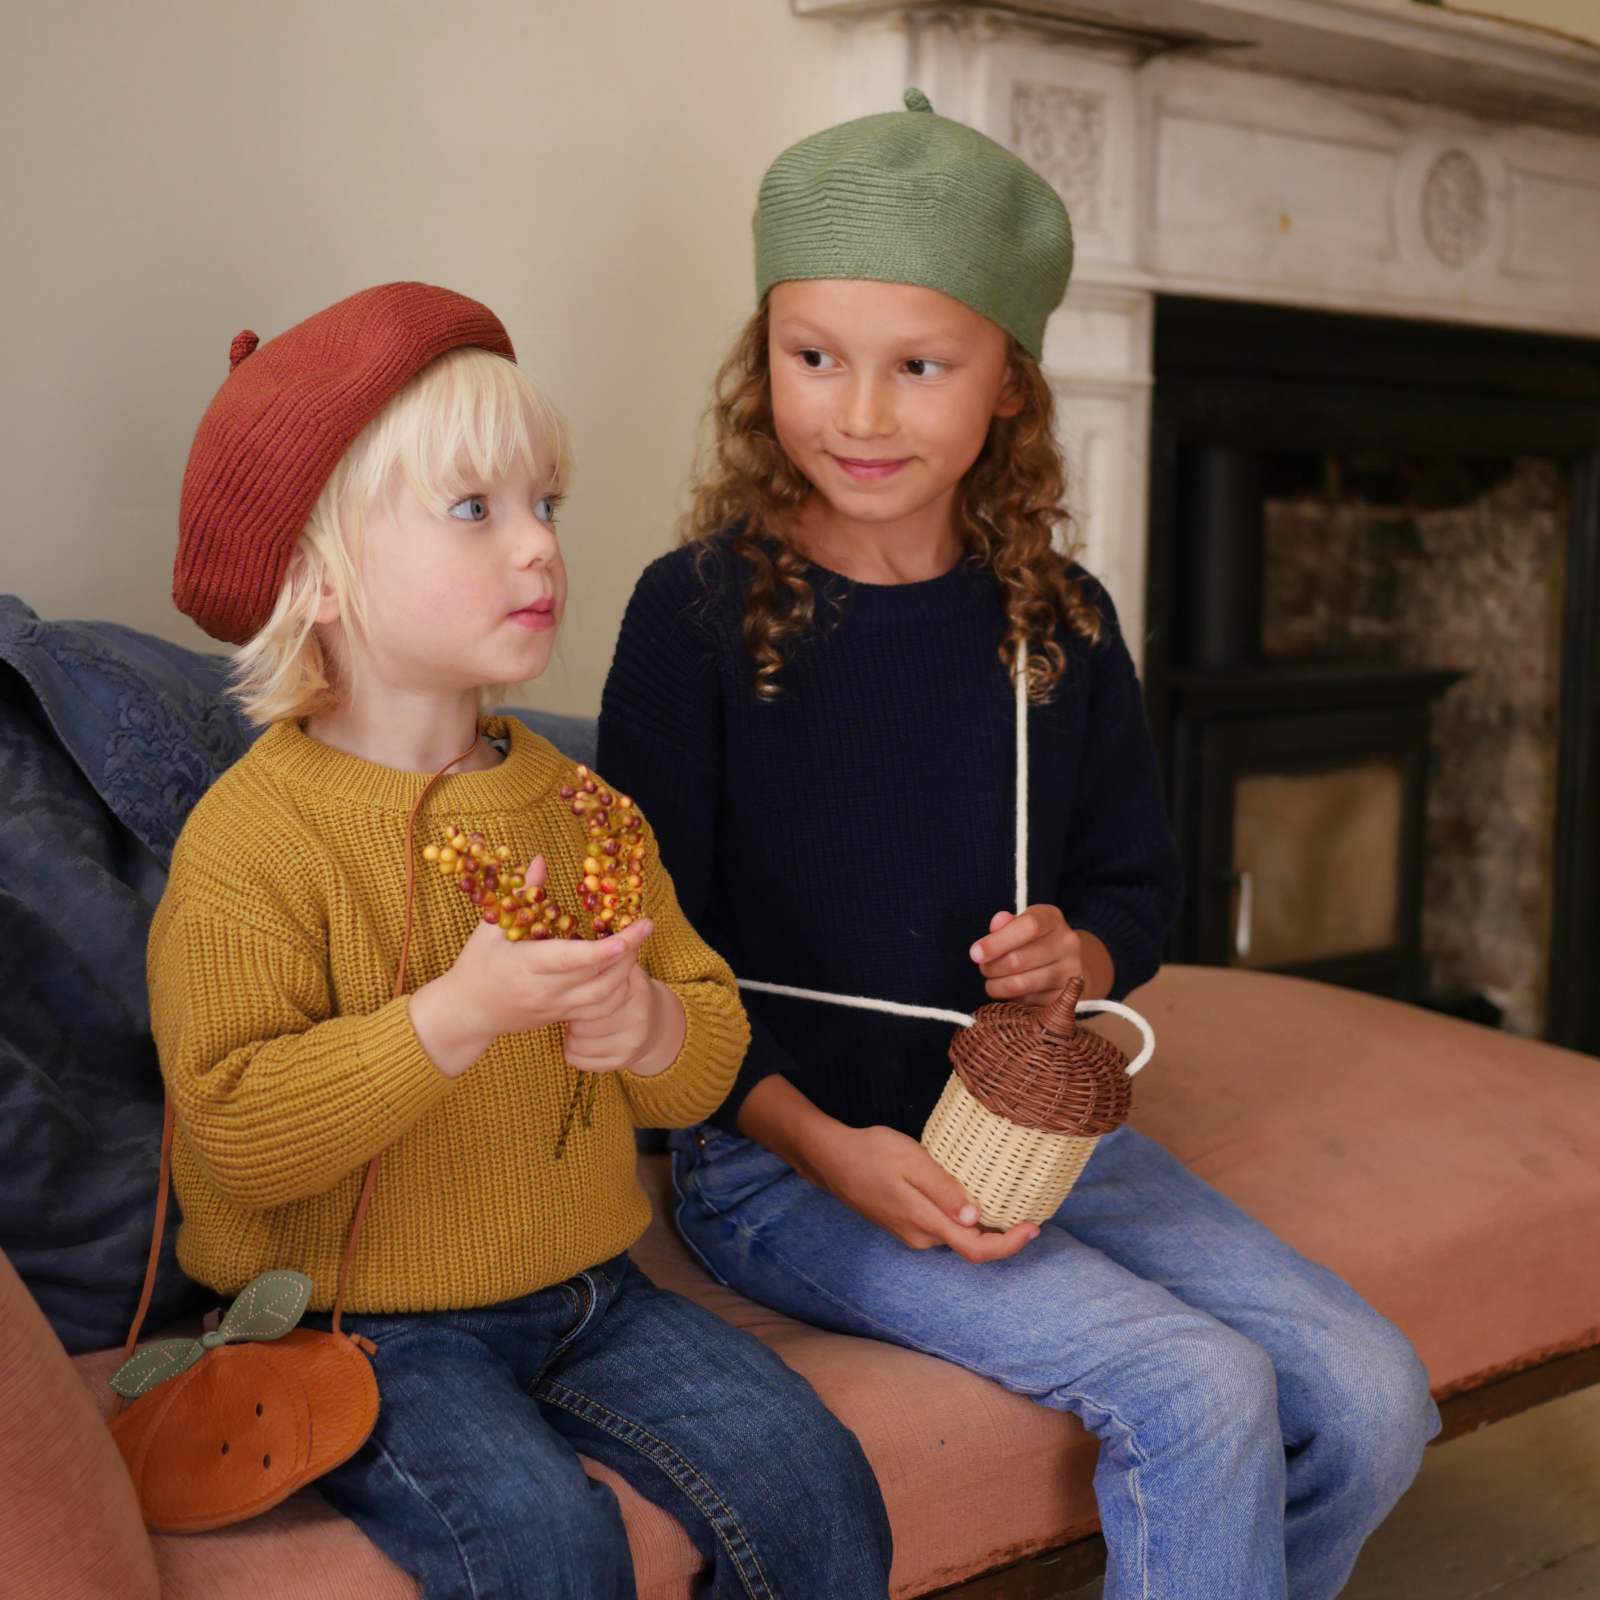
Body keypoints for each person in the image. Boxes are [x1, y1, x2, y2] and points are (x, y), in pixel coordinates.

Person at [597, 95, 1439, 1599]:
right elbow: (661, 953)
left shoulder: (1061, 619)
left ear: (1009, 385)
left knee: (1374, 1398)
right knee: (1198, 1389)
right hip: (784, 1164)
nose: (858, 413)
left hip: (1027, 1130)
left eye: (919, 365)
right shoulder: (694, 616)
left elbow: (1136, 887)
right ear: (762, 357)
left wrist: (1085, 954)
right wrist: (822, 1150)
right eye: (813, 359)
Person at [151, 281, 892, 1599]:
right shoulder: (253, 841)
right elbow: (237, 1128)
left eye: (544, 504)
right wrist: (457, 1013)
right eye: (475, 511)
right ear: (316, 574)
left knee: (820, 1487)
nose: (541, 548)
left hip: (595, 1295)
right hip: (357, 1328)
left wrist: (647, 1028)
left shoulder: (582, 807)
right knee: (546, 1545)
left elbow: (702, 1034)